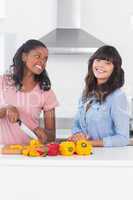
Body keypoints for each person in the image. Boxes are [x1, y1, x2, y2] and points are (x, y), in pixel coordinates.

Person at [0, 39, 59, 145]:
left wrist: (43, 134)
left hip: (29, 154)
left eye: (45, 59)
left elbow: (51, 136)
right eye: (38, 56)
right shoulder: (2, 82)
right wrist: (6, 109)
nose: (42, 62)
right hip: (2, 153)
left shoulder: (46, 92)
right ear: (24, 57)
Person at [68, 45, 129, 147]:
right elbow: (77, 124)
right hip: (86, 153)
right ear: (92, 62)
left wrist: (89, 143)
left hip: (107, 157)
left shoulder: (118, 96)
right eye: (98, 60)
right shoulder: (86, 93)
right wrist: (77, 134)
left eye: (107, 63)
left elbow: (123, 138)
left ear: (115, 69)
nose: (101, 65)